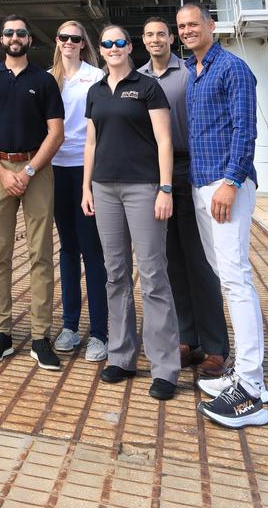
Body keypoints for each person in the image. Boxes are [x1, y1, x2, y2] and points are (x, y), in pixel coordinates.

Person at [176, 3, 268, 429]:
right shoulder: (195, 73)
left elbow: (244, 128)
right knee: (223, 272)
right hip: (201, 184)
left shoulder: (231, 68)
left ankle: (251, 385)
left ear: (211, 26)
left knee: (235, 277)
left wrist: (232, 182)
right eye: (182, 26)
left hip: (224, 184)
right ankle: (243, 374)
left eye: (193, 24)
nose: (187, 31)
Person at [82, 25, 179, 401]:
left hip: (143, 188)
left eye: (120, 42)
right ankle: (121, 356)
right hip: (104, 189)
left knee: (154, 275)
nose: (113, 48)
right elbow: (91, 142)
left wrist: (165, 188)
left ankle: (165, 367)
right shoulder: (95, 91)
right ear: (102, 51)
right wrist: (85, 187)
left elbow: (164, 140)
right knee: (115, 274)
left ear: (129, 47)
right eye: (106, 43)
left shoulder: (147, 87)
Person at [138, 17, 230, 377]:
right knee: (171, 259)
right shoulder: (140, 78)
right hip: (156, 174)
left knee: (200, 260)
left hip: (191, 167)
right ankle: (186, 337)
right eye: (149, 34)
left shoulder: (188, 71)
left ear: (170, 38)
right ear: (142, 41)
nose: (156, 39)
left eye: (162, 33)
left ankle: (216, 346)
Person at [0, 14, 64, 371]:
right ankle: (3, 332)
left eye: (21, 33)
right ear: (2, 38)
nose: (15, 37)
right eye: (9, 32)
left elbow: (55, 133)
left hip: (35, 170)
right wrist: (1, 171)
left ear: (29, 39)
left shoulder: (43, 80)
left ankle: (41, 336)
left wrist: (26, 171)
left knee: (40, 253)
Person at [49, 19, 108, 362]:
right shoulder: (48, 77)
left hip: (87, 171)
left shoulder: (95, 77)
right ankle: (70, 325)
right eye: (63, 37)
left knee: (92, 250)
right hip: (55, 170)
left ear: (83, 43)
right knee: (68, 249)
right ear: (57, 41)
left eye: (75, 38)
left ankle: (100, 331)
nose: (68, 42)